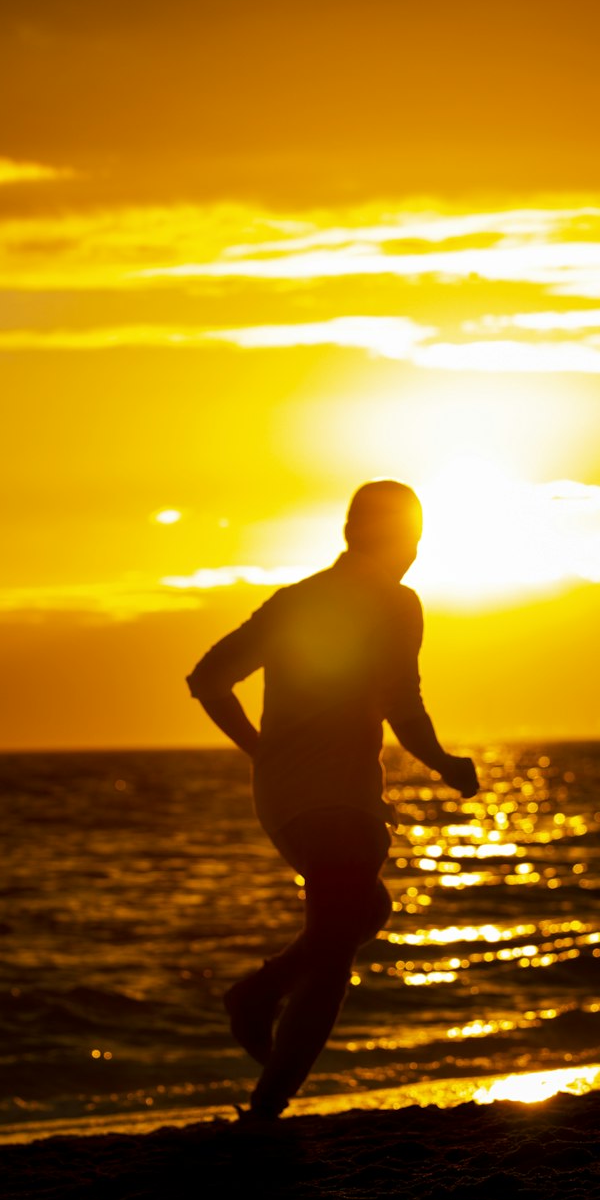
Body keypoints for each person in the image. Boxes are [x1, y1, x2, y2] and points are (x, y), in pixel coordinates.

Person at [186, 480, 478, 1121]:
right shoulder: (397, 603)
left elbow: (208, 680)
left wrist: (261, 752)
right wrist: (446, 764)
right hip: (334, 798)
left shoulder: (296, 601)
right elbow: (403, 704)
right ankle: (267, 1092)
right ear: (393, 539)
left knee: (360, 913)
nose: (416, 554)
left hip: (295, 792)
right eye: (414, 539)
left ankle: (263, 996)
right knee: (341, 937)